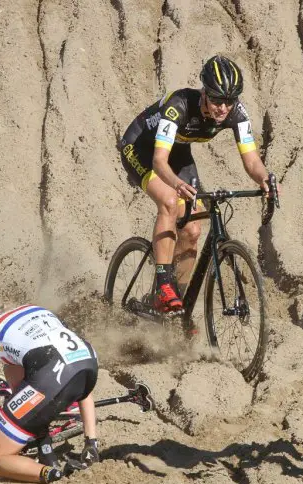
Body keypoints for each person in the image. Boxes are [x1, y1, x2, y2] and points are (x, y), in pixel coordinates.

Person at [119, 55, 278, 314]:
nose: (223, 108)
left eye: (229, 101)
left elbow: (251, 161)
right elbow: (160, 162)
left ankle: (174, 309)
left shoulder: (236, 113)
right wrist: (175, 185)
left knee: (193, 230)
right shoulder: (178, 105)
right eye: (216, 99)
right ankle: (163, 284)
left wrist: (264, 178)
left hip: (178, 153)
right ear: (204, 92)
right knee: (170, 201)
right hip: (142, 149)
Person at [0, 296, 100, 483]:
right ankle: (90, 445)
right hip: (88, 365)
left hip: (52, 372)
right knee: (28, 385)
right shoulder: (27, 310)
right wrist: (90, 440)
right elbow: (71, 366)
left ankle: (52, 474)